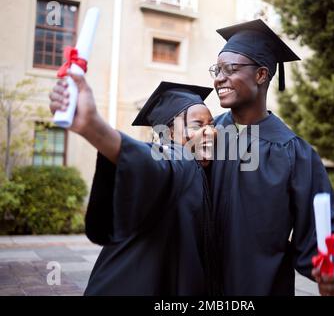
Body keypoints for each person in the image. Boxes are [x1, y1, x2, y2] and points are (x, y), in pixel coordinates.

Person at [208, 19, 334, 296]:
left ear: (261, 75)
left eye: (231, 69)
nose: (218, 78)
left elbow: (323, 225)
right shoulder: (206, 136)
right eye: (217, 69)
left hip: (261, 286)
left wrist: (329, 267)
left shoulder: (294, 152)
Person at [49, 77, 219, 295]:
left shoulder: (199, 168)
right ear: (168, 134)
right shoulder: (178, 160)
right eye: (197, 125)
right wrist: (93, 127)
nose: (210, 132)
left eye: (211, 124)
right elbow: (149, 161)